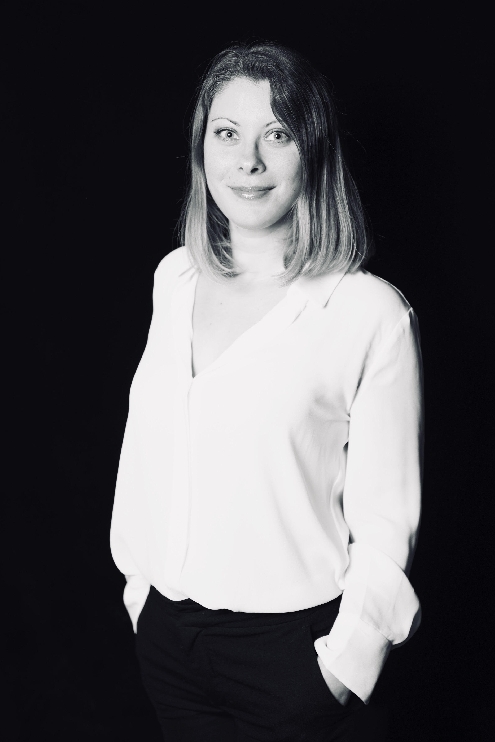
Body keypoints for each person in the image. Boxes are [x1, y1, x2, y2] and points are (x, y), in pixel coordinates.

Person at [110, 40, 424, 742]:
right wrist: (141, 594)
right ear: (201, 149)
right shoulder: (174, 279)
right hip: (170, 644)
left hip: (293, 659)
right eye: (227, 133)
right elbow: (148, 456)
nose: (247, 162)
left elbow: (386, 519)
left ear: (313, 152)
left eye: (277, 135)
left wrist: (341, 667)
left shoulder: (368, 313)